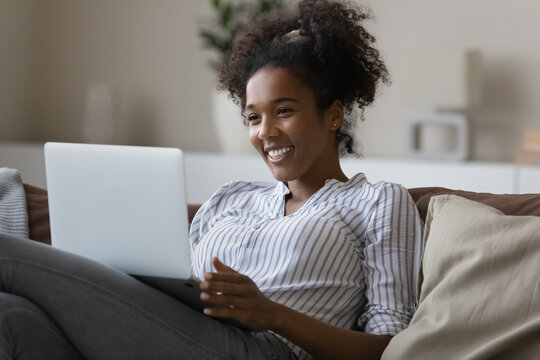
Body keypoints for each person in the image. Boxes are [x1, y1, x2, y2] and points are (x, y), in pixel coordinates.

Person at [0, 1, 423, 359]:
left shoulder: (378, 202)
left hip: (262, 350)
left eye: (284, 110)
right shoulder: (232, 199)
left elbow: (388, 347)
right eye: (253, 117)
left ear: (333, 114)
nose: (265, 132)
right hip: (180, 329)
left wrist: (272, 314)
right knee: (11, 317)